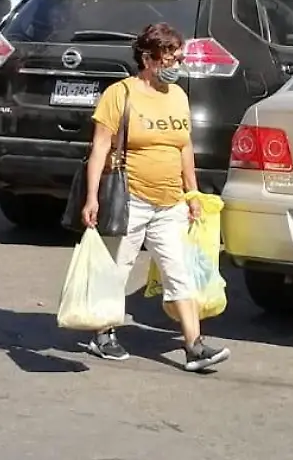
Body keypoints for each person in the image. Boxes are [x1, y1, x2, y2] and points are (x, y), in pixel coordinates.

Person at [79, 22, 229, 372]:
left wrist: (191, 192)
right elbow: (99, 147)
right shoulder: (121, 94)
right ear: (148, 58)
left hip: (171, 203)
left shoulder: (177, 96)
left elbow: (185, 148)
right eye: (170, 57)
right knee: (118, 269)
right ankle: (103, 333)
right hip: (130, 198)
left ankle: (195, 346)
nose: (177, 64)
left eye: (179, 57)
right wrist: (92, 197)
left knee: (180, 274)